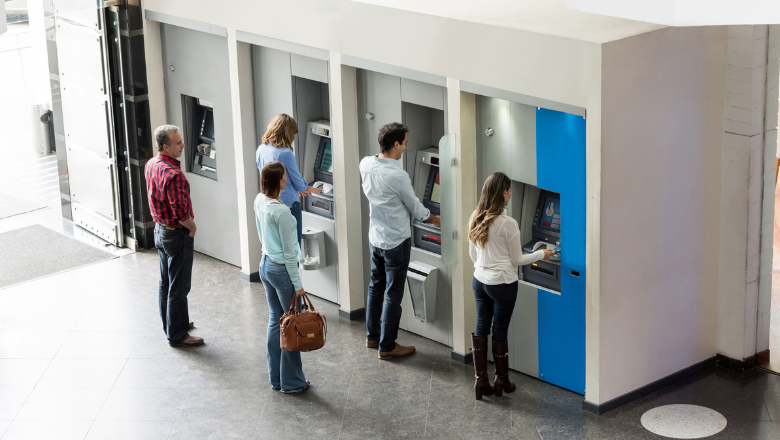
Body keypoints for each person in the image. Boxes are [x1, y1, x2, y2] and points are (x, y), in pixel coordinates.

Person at [468, 172, 554, 400]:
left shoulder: (476, 216)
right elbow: (518, 260)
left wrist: (485, 268)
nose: (511, 194)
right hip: (503, 285)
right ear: (503, 193)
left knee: (481, 328)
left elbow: (473, 255)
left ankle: (481, 382)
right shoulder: (508, 224)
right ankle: (501, 380)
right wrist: (541, 254)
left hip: (479, 282)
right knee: (499, 332)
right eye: (509, 190)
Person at [359, 122, 442, 360]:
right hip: (396, 242)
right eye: (405, 143)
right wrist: (435, 218)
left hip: (375, 238)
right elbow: (417, 208)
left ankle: (372, 336)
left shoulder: (365, 164)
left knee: (376, 287)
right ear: (395, 144)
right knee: (393, 294)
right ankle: (387, 346)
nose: (406, 147)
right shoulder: (398, 175)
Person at [144, 125, 203, 347]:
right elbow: (180, 212)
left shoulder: (151, 164)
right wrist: (192, 227)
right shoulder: (174, 174)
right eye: (178, 143)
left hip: (159, 231)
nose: (183, 145)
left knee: (165, 282)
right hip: (176, 234)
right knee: (179, 287)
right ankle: (177, 334)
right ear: (166, 146)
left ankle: (171, 323)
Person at [255, 161, 309, 393]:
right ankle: (293, 383)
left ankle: (276, 380)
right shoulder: (282, 212)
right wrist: (298, 286)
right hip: (281, 270)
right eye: (285, 175)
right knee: (292, 325)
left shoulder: (260, 200)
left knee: (276, 321)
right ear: (280, 181)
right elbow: (289, 254)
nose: (287, 178)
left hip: (265, 265)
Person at [256, 114, 321, 244]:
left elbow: (269, 176)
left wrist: (297, 188)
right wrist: (317, 189)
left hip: (270, 203)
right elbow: (299, 183)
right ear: (287, 133)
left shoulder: (261, 149)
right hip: (289, 206)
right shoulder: (285, 153)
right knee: (292, 247)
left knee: (276, 246)